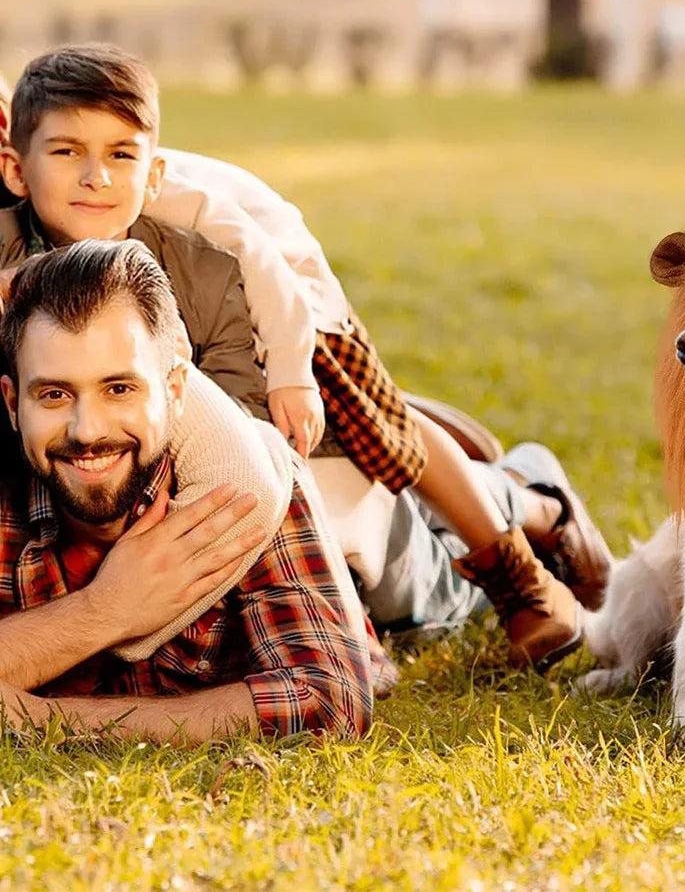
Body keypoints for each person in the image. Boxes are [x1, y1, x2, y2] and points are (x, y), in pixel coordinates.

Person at [0, 45, 611, 669]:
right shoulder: (18, 236)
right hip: (167, 435)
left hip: (291, 350)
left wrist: (293, 376)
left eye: (117, 157)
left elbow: (258, 317)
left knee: (403, 538)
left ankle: (529, 498)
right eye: (67, 153)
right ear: (17, 168)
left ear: (151, 172)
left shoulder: (195, 237)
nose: (95, 176)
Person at [0, 240, 391, 741]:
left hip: (373, 537)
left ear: (175, 390)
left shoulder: (248, 479)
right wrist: (105, 609)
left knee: (431, 567)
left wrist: (42, 721)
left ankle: (517, 483)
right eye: (54, 394)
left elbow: (327, 702)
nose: (87, 430)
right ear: (12, 403)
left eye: (120, 389)